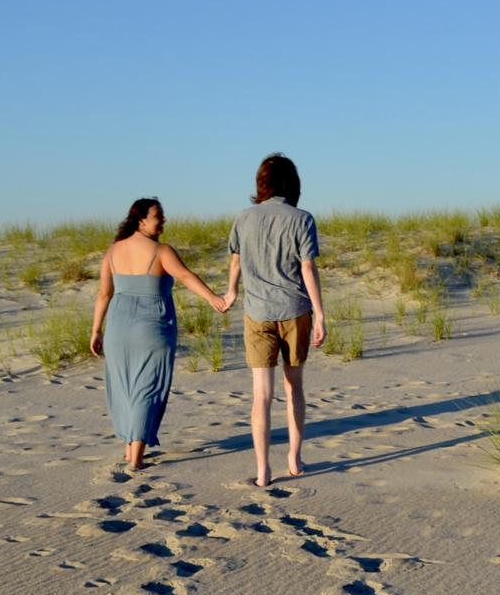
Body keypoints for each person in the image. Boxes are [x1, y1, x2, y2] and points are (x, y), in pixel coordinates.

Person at [91, 198, 230, 471]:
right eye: (158, 216)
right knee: (148, 388)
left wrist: (96, 329)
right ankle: (137, 458)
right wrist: (213, 298)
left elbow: (104, 294)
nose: (163, 220)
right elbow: (186, 277)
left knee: (124, 388)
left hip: (117, 327)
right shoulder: (161, 250)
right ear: (141, 220)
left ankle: (129, 448)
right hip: (151, 325)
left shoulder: (112, 252)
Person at [223, 153, 326, 486]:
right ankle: (294, 460)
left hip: (257, 313)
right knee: (294, 386)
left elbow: (236, 262)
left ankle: (263, 469)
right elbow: (307, 268)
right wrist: (320, 313)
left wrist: (230, 292)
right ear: (291, 183)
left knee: (261, 395)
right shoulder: (302, 218)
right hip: (295, 310)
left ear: (262, 183)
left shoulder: (243, 218)